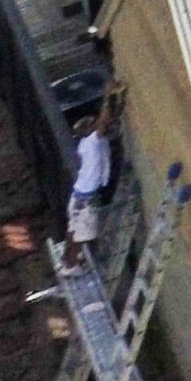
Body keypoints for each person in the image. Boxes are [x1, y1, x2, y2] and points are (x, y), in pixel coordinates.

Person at [63, 108, 113, 267]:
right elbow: (103, 122)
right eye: (91, 123)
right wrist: (108, 96)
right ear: (87, 130)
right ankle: (71, 266)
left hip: (79, 196)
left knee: (74, 231)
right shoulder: (92, 141)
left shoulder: (87, 144)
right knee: (82, 236)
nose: (94, 123)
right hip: (85, 200)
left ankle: (67, 260)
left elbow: (106, 122)